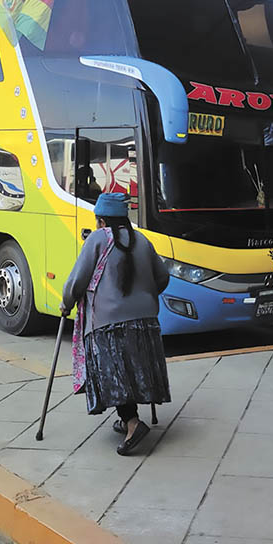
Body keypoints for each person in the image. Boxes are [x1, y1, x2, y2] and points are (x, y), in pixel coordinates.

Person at [61, 192, 171, 455]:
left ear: (101, 221)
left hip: (108, 323)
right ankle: (127, 419)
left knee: (115, 374)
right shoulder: (142, 240)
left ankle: (133, 423)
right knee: (134, 370)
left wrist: (66, 302)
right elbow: (163, 277)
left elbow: (77, 281)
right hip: (146, 321)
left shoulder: (98, 239)